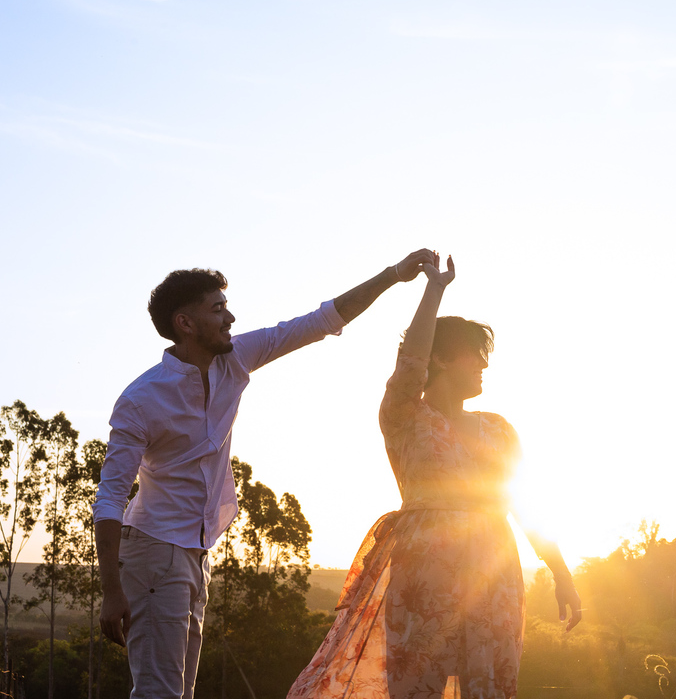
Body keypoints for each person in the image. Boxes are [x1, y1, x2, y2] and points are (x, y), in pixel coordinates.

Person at [92, 249, 438, 699]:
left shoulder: (235, 359)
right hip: (155, 551)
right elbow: (110, 497)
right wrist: (112, 590)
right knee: (159, 693)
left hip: (196, 552)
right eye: (217, 309)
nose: (230, 317)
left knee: (179, 693)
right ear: (185, 324)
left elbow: (320, 321)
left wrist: (393, 275)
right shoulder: (141, 399)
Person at [288, 254, 581, 699]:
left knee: (491, 685)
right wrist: (434, 290)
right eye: (473, 356)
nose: (483, 365)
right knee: (416, 686)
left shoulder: (499, 429)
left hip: (493, 571)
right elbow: (409, 365)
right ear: (441, 359)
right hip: (425, 571)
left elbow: (524, 506)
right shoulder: (405, 417)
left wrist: (562, 573)